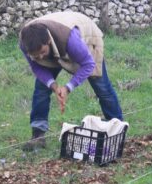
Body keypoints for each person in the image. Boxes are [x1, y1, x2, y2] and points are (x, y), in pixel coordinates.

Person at [18, 11, 123, 151]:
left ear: (48, 41)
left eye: (42, 52)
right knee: (41, 89)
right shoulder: (25, 43)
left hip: (86, 38)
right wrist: (54, 86)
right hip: (57, 45)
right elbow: (36, 67)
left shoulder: (71, 39)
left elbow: (88, 64)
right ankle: (38, 136)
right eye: (35, 56)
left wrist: (68, 87)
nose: (41, 57)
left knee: (102, 87)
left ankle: (117, 130)